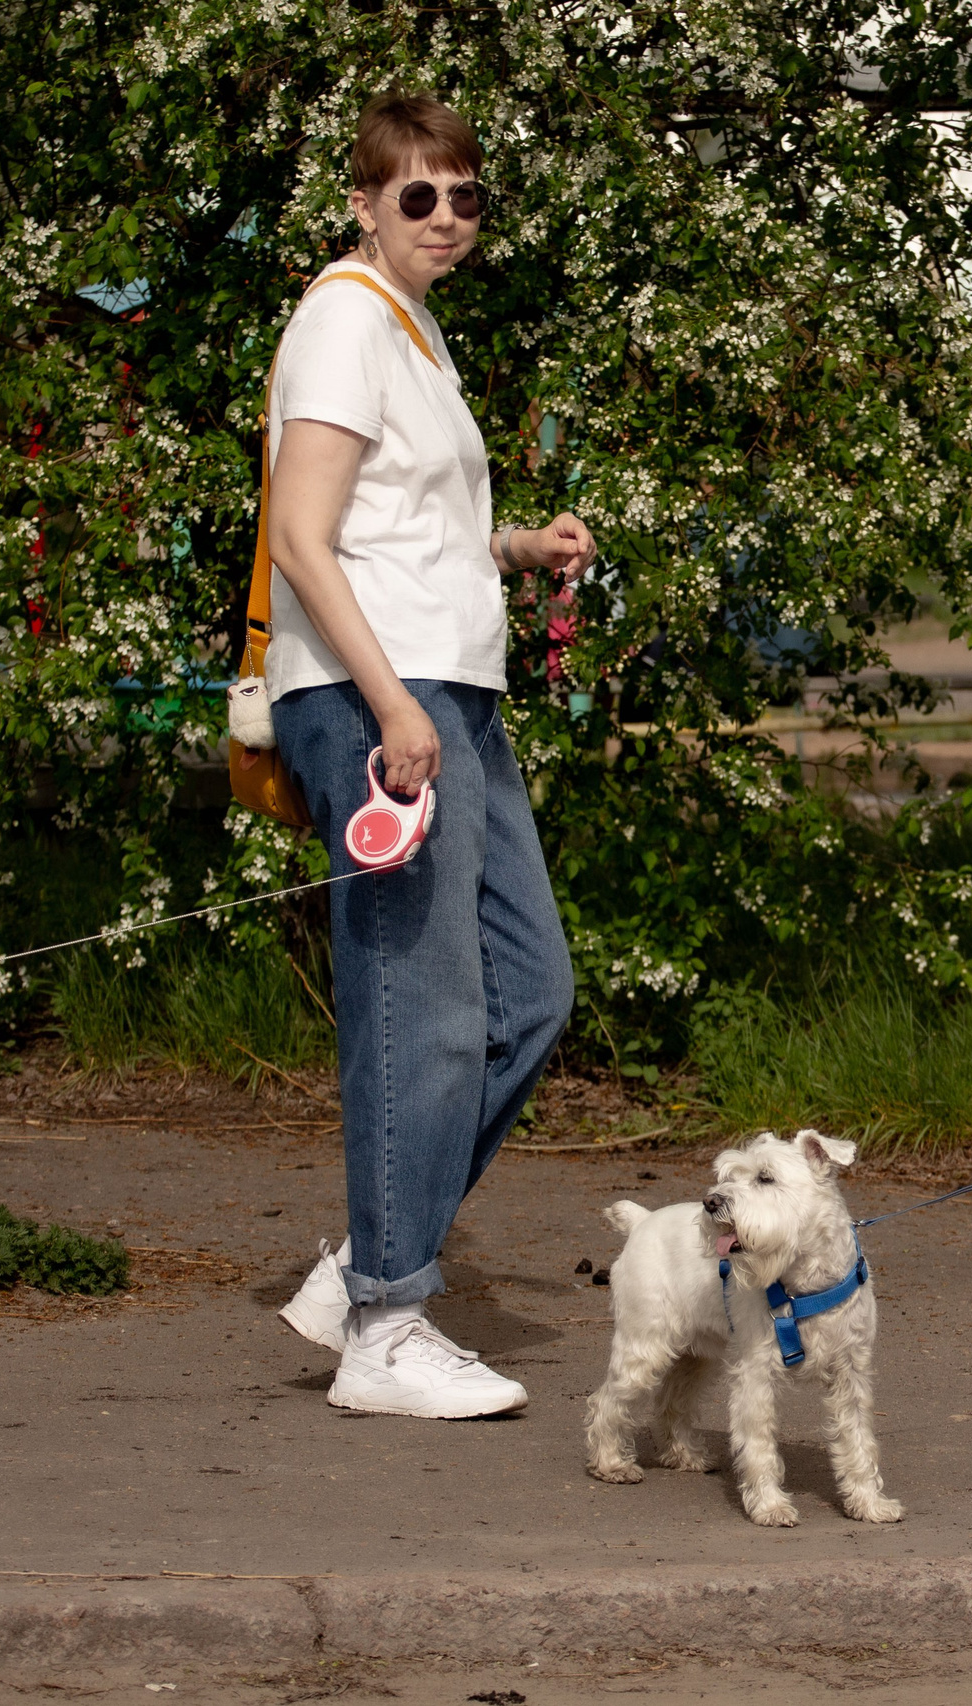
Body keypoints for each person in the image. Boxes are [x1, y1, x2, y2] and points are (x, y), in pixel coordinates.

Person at [261, 92, 590, 1420]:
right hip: (383, 700)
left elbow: (407, 524)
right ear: (364, 203)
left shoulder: (414, 329)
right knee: (425, 1006)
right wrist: (392, 708)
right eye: (418, 196)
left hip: (453, 692)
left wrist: (519, 551)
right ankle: (388, 1322)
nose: (446, 217)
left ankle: (372, 1261)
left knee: (530, 992)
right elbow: (302, 533)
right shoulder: (344, 315)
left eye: (465, 196)